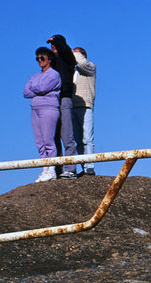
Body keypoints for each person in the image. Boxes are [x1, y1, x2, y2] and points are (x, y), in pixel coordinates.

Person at [23, 47, 62, 182]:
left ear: (49, 59)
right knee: (39, 141)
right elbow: (25, 92)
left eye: (42, 58)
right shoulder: (34, 76)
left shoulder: (54, 74)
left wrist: (35, 89)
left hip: (48, 108)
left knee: (48, 140)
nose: (40, 60)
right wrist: (37, 90)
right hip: (34, 109)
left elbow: (42, 88)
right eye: (37, 58)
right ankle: (44, 167)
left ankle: (52, 169)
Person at [46, 34, 79, 178]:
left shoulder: (68, 58)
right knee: (53, 137)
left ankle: (70, 169)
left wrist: (56, 40)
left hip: (65, 98)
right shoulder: (52, 63)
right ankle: (57, 169)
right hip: (52, 101)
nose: (52, 46)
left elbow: (65, 49)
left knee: (67, 135)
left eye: (55, 44)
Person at [71, 47, 97, 176]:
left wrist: (73, 53)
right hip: (72, 106)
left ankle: (90, 166)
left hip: (85, 105)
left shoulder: (89, 67)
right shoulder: (73, 71)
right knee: (78, 140)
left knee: (87, 138)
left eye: (75, 53)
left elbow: (81, 63)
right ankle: (84, 166)